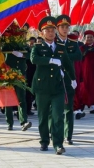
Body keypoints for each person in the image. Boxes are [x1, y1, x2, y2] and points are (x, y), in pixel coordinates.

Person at [30, 16, 76, 155]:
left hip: (57, 88)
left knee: (58, 116)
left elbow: (67, 64)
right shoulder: (37, 47)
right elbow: (34, 59)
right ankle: (44, 141)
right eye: (47, 30)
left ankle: (58, 144)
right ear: (42, 33)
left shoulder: (61, 47)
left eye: (52, 30)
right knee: (43, 116)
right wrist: (50, 60)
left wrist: (73, 78)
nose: (50, 32)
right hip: (42, 87)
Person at [55, 15, 81, 145]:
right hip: (55, 78)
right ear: (57, 28)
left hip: (70, 78)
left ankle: (68, 135)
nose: (65, 29)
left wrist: (64, 56)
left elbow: (78, 55)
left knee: (69, 108)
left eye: (67, 27)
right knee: (54, 109)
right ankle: (54, 134)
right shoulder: (52, 41)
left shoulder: (72, 42)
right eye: (62, 27)